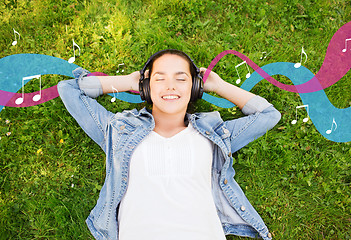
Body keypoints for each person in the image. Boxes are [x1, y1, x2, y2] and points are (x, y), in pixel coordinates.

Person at [57, 49, 281, 240]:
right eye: (160, 78)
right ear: (146, 87)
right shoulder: (118, 131)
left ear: (195, 88)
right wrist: (128, 81)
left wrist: (219, 86)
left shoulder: (215, 134)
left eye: (181, 78)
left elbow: (268, 115)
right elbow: (70, 89)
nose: (170, 86)